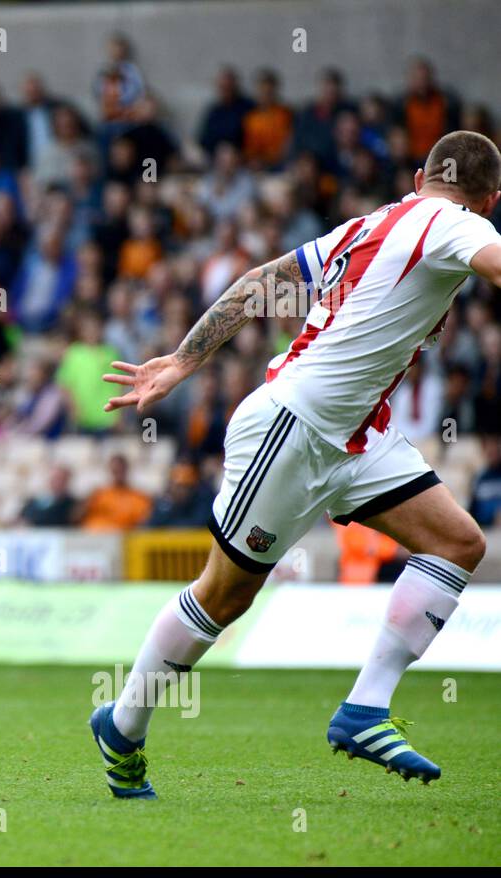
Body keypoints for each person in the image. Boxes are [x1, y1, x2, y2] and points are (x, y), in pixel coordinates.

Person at [92, 131, 501, 798]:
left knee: (457, 542)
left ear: (422, 170)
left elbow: (263, 282)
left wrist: (183, 360)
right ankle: (124, 722)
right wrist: (182, 366)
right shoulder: (452, 223)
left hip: (356, 436)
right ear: (492, 201)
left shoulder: (374, 222)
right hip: (292, 426)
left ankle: (364, 711)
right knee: (225, 594)